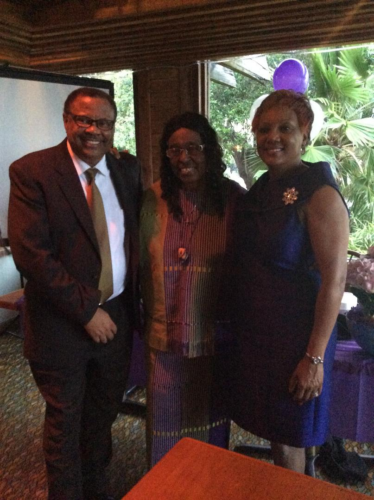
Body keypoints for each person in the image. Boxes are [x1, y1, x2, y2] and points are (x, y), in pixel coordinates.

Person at [8, 87, 141, 500]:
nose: (93, 130)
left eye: (103, 122)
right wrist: (86, 311)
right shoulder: (33, 171)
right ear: (67, 120)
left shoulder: (125, 169)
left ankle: (97, 489)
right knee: (65, 423)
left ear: (113, 127)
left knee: (102, 416)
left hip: (117, 317)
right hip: (62, 326)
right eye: (83, 120)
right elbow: (33, 256)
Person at [230, 90, 349, 473]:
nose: (273, 137)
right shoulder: (262, 188)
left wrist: (314, 358)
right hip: (263, 336)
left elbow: (334, 281)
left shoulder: (320, 193)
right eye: (264, 129)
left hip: (301, 339)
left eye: (285, 128)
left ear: (305, 132)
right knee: (276, 436)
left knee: (291, 440)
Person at [140, 111, 245, 467]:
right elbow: (136, 264)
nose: (183, 158)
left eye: (193, 148)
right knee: (164, 423)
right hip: (162, 337)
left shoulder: (234, 201)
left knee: (209, 422)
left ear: (210, 151)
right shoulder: (152, 200)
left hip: (215, 340)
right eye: (173, 150)